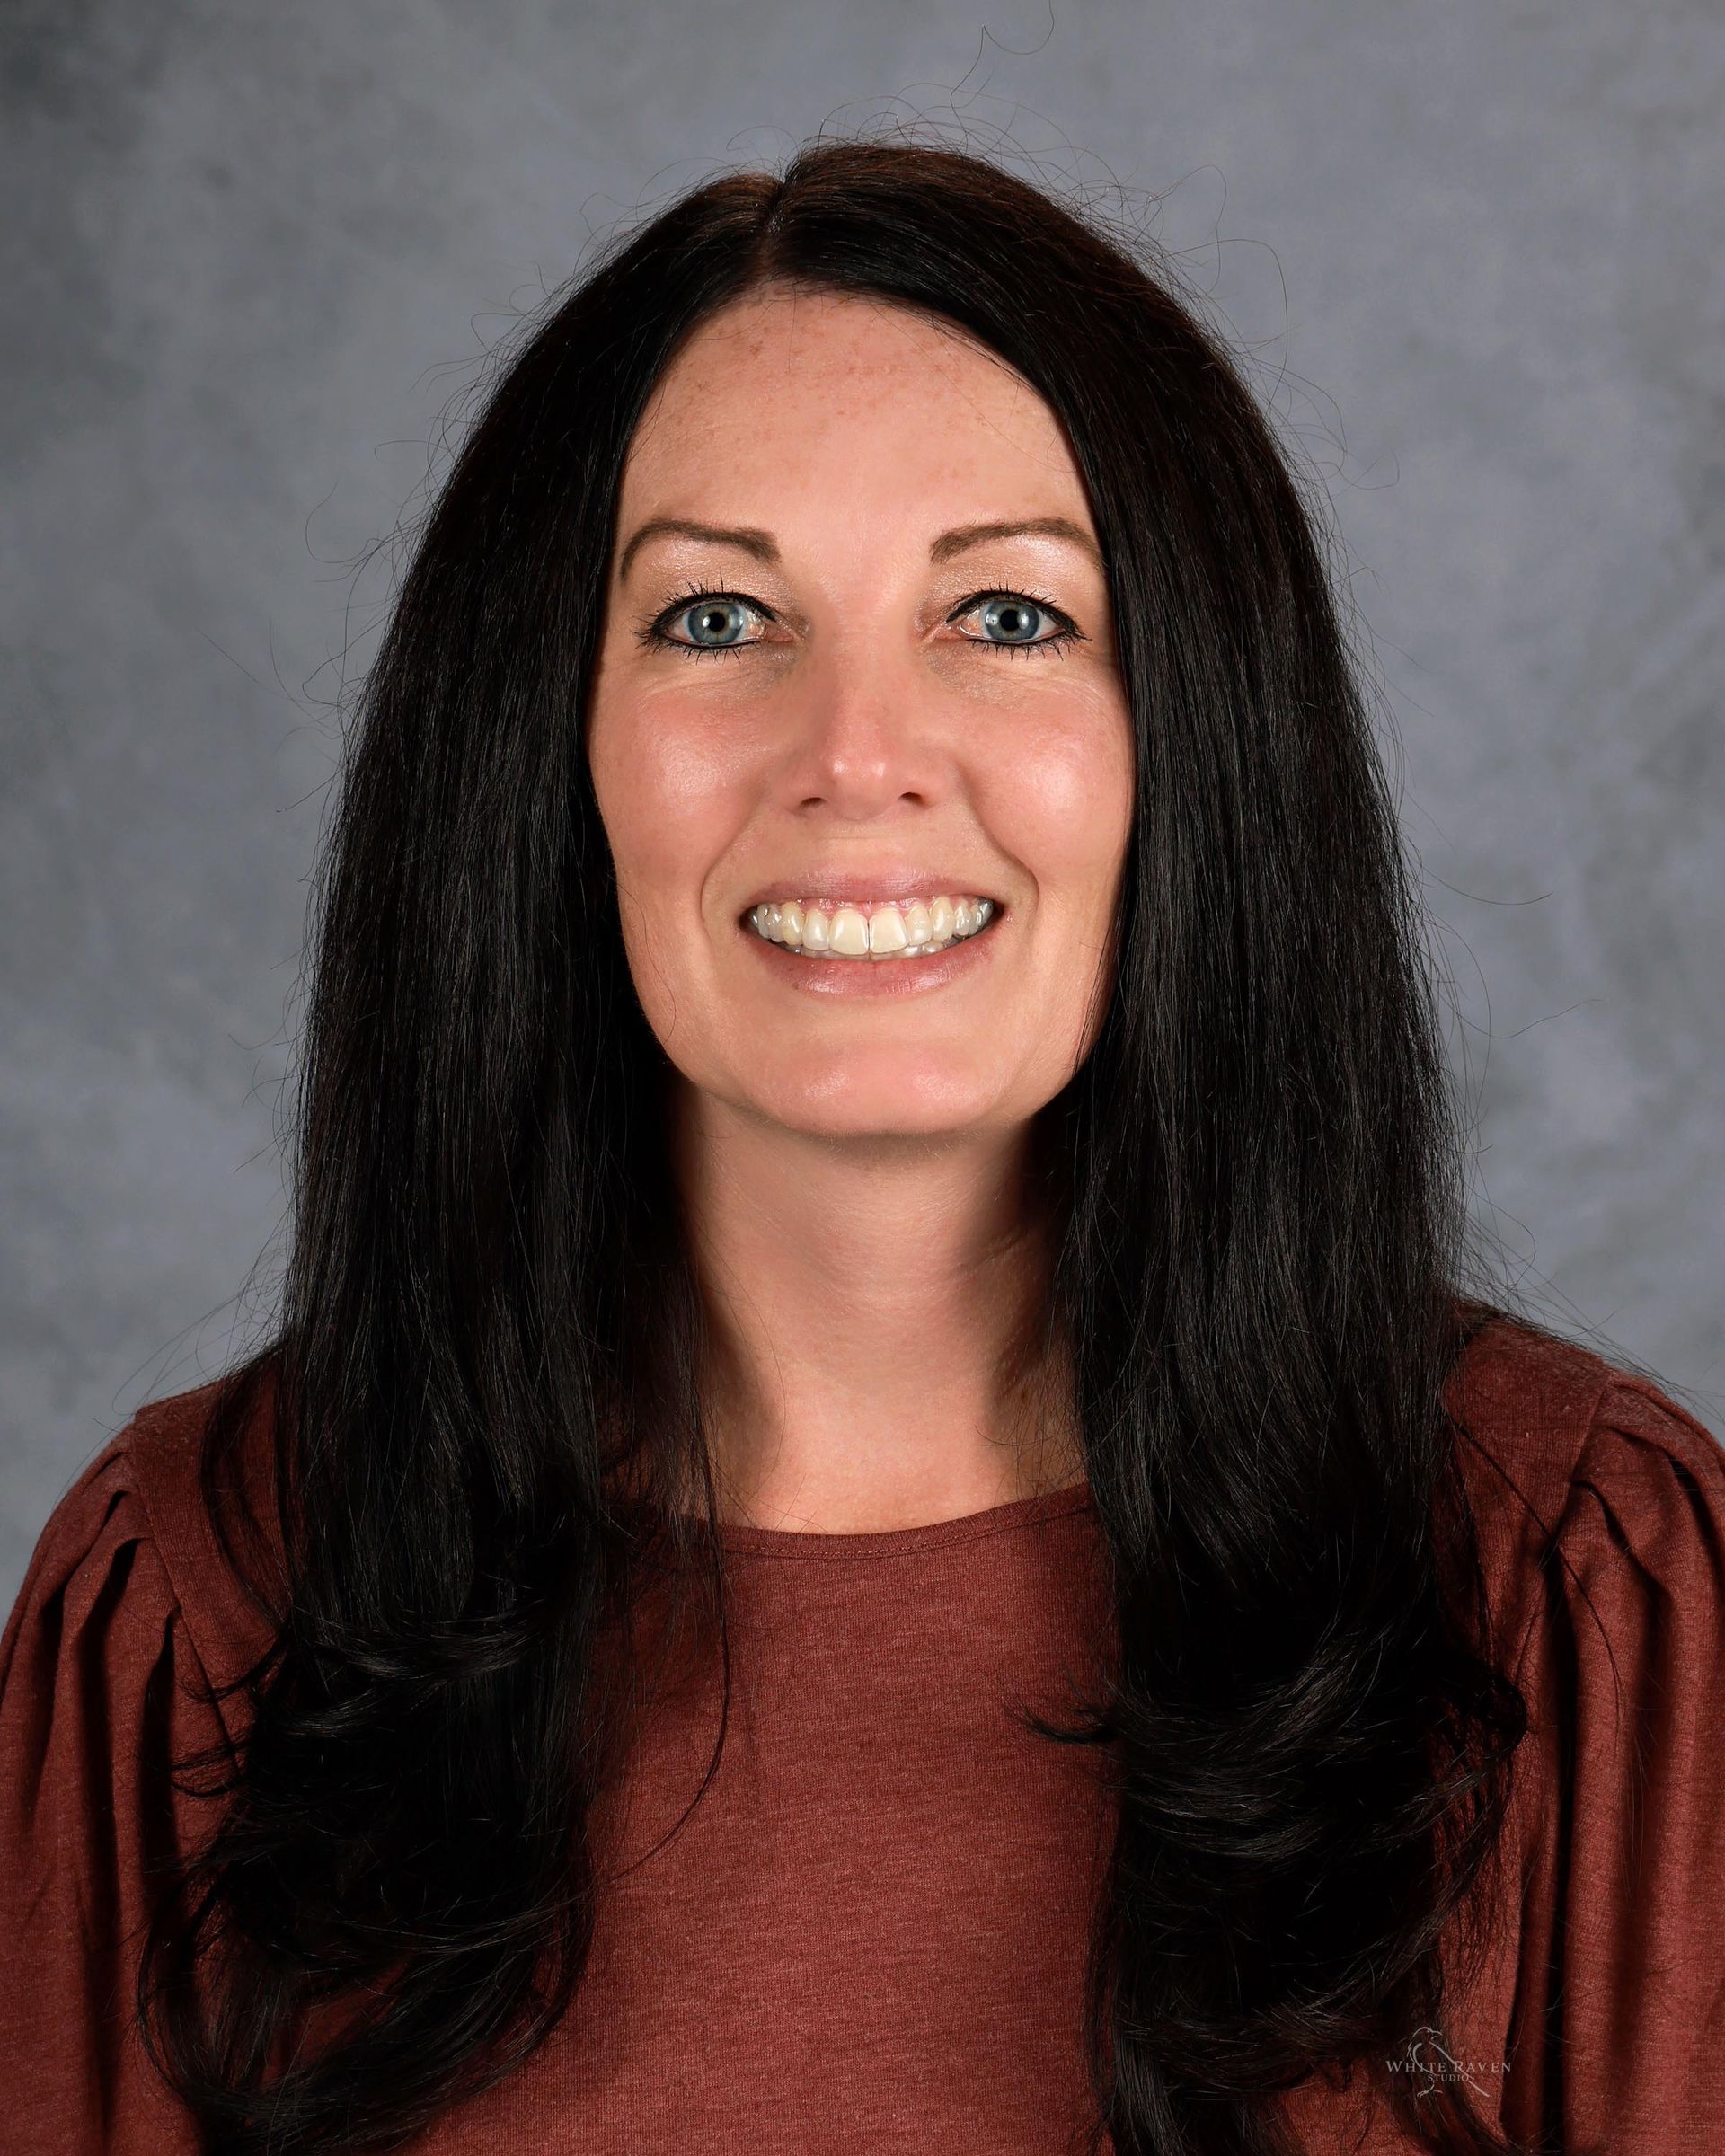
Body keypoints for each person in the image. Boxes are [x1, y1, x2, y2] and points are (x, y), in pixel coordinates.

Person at [2, 135, 1721, 2156]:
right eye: (718, 622)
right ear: (539, 745)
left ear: (1202, 735)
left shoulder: (1575, 1603)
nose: (856, 759)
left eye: (1006, 615)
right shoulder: (209, 1603)